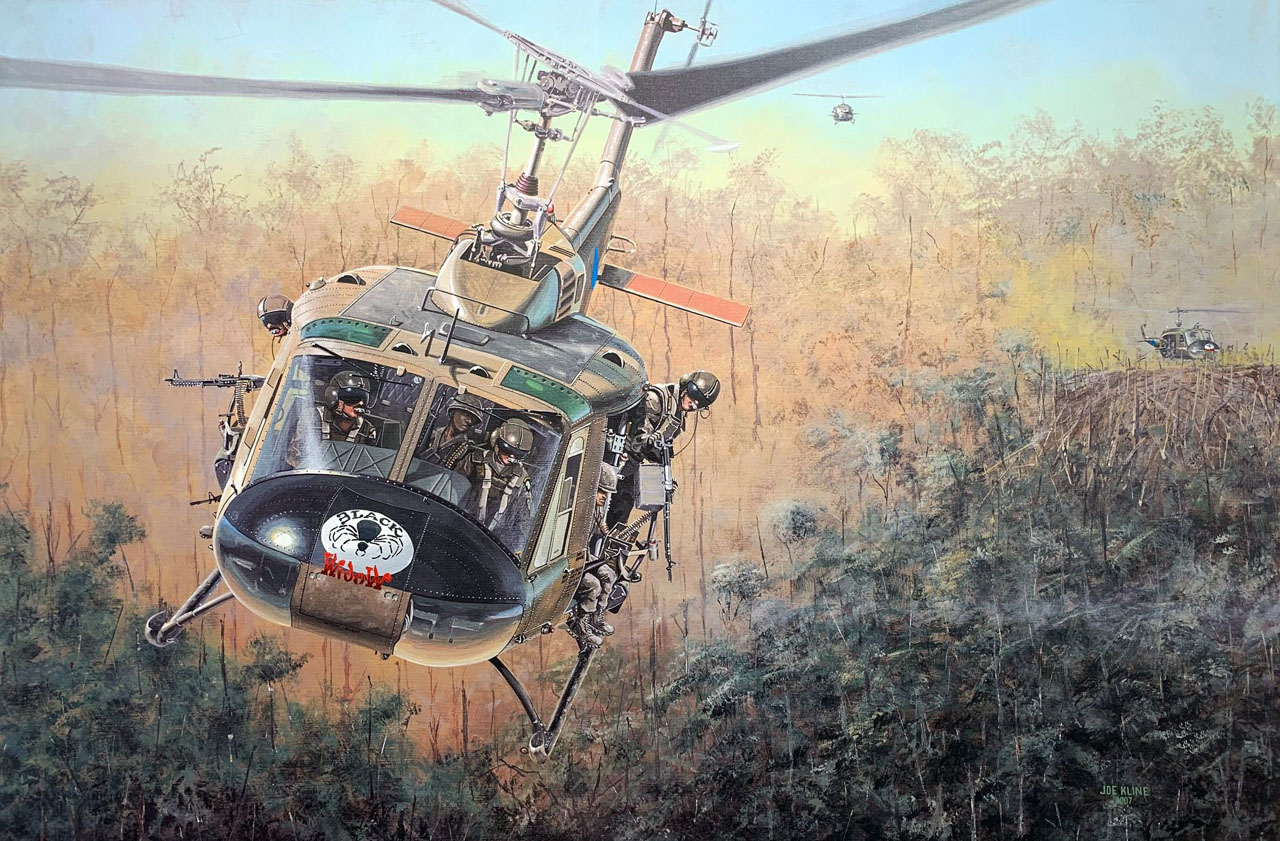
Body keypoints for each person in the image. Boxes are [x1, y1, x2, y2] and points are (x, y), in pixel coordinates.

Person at [607, 370, 720, 526]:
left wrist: (666, 478)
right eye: (694, 395)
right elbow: (640, 438)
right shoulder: (655, 399)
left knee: (622, 509)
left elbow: (657, 450)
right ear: (686, 387)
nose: (694, 403)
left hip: (632, 463)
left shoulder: (676, 417)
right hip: (614, 457)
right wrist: (651, 445)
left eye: (700, 403)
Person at [570, 463, 620, 646]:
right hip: (571, 559)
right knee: (593, 585)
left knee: (609, 575)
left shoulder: (596, 509)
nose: (604, 497)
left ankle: (596, 618)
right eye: (601, 491)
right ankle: (582, 627)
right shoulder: (577, 508)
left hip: (585, 555)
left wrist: (610, 535)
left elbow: (601, 528)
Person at [460, 417, 535, 536]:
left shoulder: (522, 479)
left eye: (517, 454)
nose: (511, 456)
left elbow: (524, 518)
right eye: (506, 449)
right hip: (462, 520)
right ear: (496, 443)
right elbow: (454, 486)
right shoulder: (475, 460)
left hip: (495, 536)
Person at [419, 394, 484, 470]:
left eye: (473, 419)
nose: (469, 421)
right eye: (466, 414)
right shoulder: (432, 435)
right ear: (452, 412)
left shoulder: (467, 450)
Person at [317, 371, 378, 444]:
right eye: (353, 398)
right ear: (334, 398)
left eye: (364, 399)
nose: (361, 403)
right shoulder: (313, 418)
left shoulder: (367, 430)